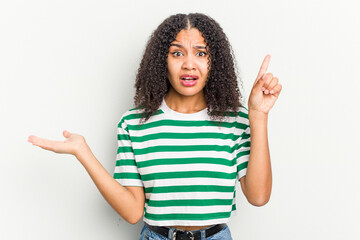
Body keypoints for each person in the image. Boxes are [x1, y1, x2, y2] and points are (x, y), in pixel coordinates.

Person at [28, 13, 282, 240]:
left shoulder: (235, 120)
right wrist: (83, 152)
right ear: (162, 60)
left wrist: (258, 115)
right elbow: (132, 212)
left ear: (214, 62)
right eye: (177, 52)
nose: (189, 64)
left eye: (201, 53)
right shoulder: (134, 124)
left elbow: (258, 197)